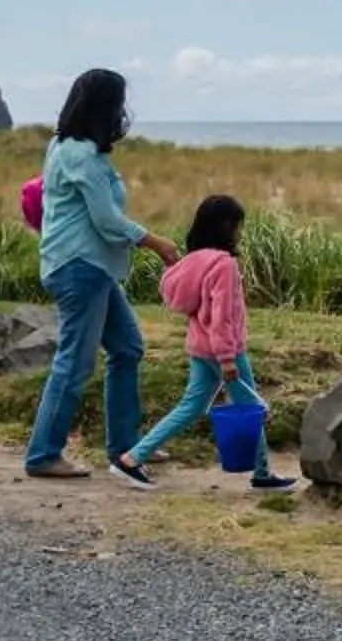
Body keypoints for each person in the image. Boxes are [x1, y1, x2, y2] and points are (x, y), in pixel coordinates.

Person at [23, 69, 178, 479]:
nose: (123, 112)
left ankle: (127, 446)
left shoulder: (66, 146)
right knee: (74, 363)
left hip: (91, 269)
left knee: (127, 348)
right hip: (80, 269)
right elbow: (107, 220)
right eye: (119, 103)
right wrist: (156, 242)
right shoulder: (81, 156)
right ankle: (43, 455)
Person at [113, 194, 296, 493]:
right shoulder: (223, 265)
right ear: (226, 227)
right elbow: (222, 315)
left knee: (192, 406)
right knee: (251, 408)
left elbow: (191, 305)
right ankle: (262, 473)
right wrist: (227, 358)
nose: (240, 233)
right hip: (225, 351)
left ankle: (132, 458)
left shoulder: (191, 262)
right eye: (238, 226)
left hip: (201, 348)